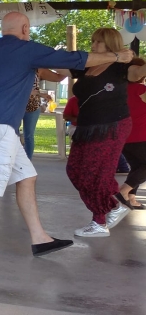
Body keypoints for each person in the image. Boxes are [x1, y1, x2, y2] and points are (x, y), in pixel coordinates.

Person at [0, 12, 132, 256]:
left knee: (27, 178)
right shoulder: (26, 49)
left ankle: (40, 238)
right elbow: (77, 59)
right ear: (25, 28)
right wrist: (117, 55)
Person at [61, 28, 146, 237]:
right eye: (92, 41)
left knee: (96, 174)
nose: (93, 45)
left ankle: (99, 221)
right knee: (75, 171)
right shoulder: (88, 66)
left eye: (98, 42)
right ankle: (115, 206)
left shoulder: (122, 67)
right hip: (86, 127)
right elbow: (57, 70)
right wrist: (31, 62)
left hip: (112, 125)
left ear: (111, 44)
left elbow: (139, 72)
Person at [119, 57, 146, 210]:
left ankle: (131, 198)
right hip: (141, 136)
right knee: (143, 167)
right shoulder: (141, 90)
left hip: (125, 138)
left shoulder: (120, 91)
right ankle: (123, 191)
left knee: (137, 167)